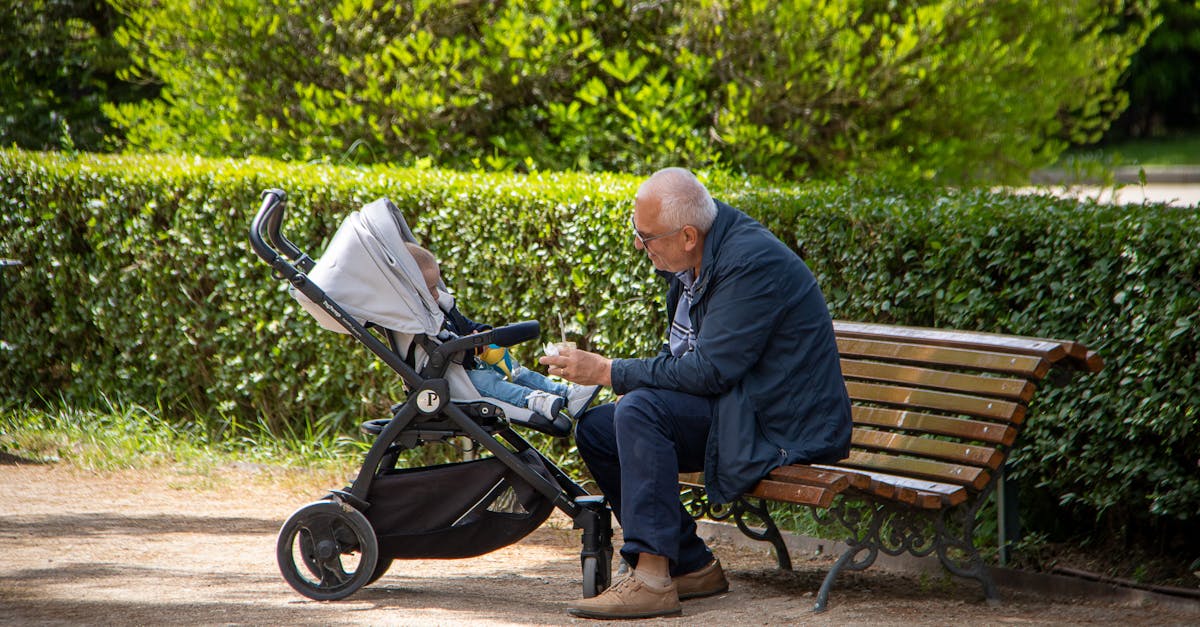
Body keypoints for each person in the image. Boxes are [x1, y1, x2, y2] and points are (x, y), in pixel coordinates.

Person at [539, 168, 852, 620]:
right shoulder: (695, 257)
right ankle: (690, 564)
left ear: (688, 235)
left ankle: (651, 579)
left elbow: (708, 372)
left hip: (780, 425)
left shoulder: (749, 263)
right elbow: (690, 363)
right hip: (740, 407)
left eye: (646, 237)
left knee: (640, 410)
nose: (638, 246)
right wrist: (625, 381)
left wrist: (608, 371)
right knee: (599, 428)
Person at [406, 243, 600, 423]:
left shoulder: (441, 307)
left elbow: (467, 324)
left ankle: (566, 395)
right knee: (486, 381)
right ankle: (533, 400)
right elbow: (443, 352)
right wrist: (472, 347)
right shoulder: (419, 324)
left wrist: (485, 334)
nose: (436, 295)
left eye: (436, 286)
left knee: (516, 371)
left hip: (475, 364)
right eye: (430, 289)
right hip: (454, 381)